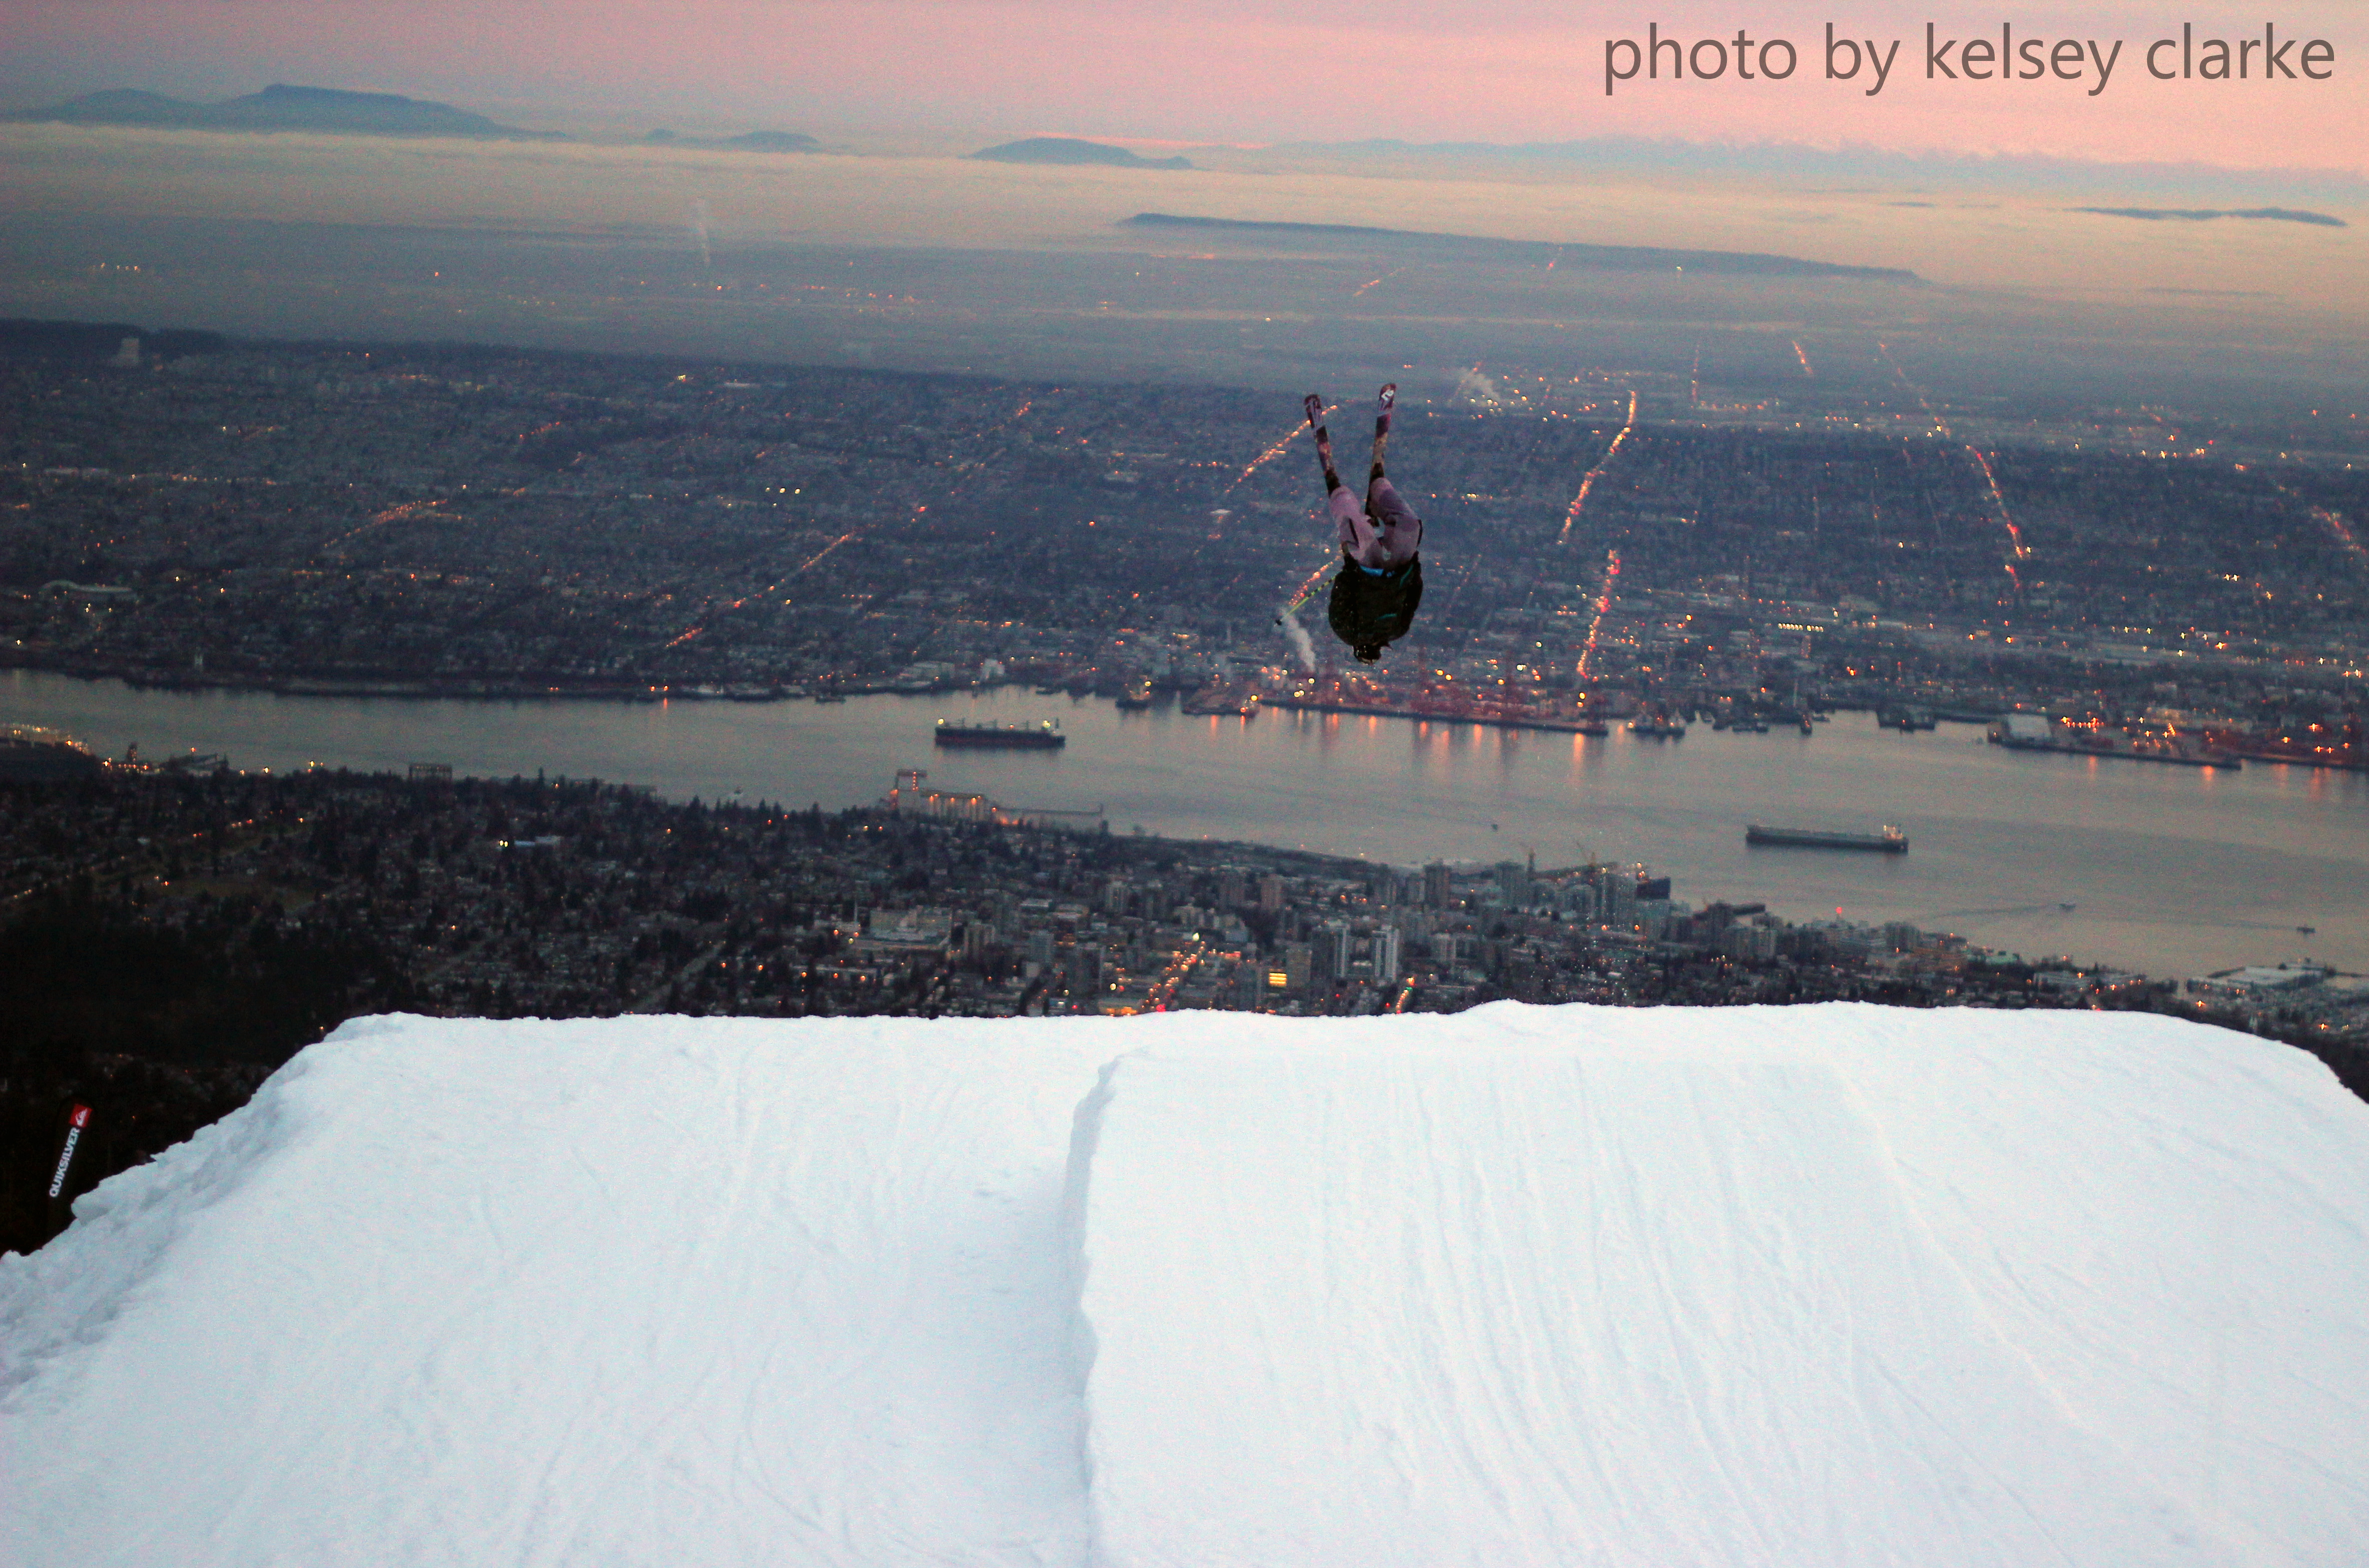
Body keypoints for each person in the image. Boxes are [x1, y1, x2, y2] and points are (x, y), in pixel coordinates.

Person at [1306, 386, 1423, 663]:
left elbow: (1341, 598)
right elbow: (1414, 596)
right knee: (1409, 527)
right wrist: (1413, 568)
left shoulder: (1349, 632)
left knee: (1362, 532)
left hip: (1367, 572)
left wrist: (1350, 566)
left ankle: (1340, 489)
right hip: (1398, 571)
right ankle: (1379, 487)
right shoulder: (1396, 630)